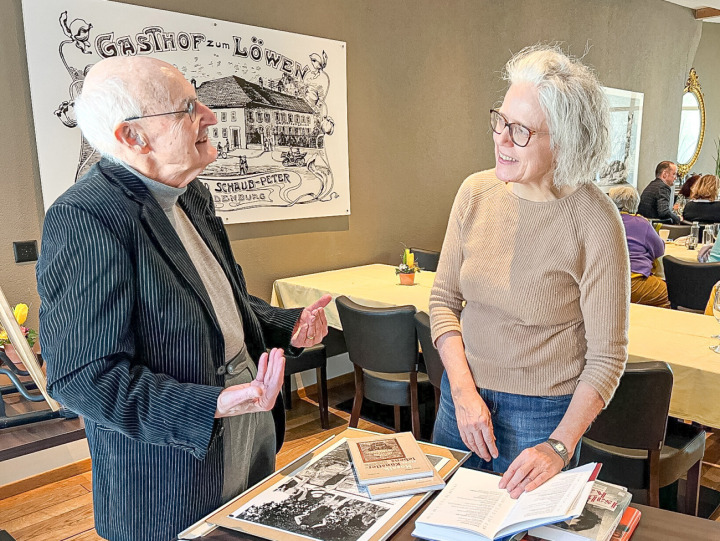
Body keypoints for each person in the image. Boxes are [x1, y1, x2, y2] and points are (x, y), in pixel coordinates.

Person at [36, 56, 330, 541]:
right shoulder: (86, 217)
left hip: (247, 420)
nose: (210, 116)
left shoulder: (191, 193)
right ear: (133, 136)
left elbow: (222, 301)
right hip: (172, 466)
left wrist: (287, 323)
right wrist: (211, 404)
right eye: (188, 107)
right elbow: (81, 378)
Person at [430, 45, 629, 500]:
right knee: (444, 521)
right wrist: (462, 393)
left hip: (542, 416)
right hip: (461, 398)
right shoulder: (475, 193)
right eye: (500, 120)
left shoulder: (596, 222)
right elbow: (443, 302)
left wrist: (559, 446)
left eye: (519, 131)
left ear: (564, 141)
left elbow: (606, 358)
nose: (500, 138)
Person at [609, 186, 670, 308]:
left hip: (605, 281)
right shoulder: (641, 223)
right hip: (634, 281)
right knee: (671, 294)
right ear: (635, 203)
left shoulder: (603, 222)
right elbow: (659, 249)